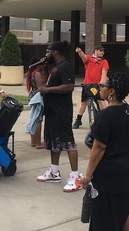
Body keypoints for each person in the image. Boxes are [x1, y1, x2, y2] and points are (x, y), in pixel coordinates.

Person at [79, 72, 129, 231]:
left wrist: (87, 175)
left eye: (102, 86)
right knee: (125, 207)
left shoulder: (105, 116)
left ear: (112, 91)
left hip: (110, 171)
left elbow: (98, 148)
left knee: (103, 212)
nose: (100, 88)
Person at [36, 40, 81, 193]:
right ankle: (54, 172)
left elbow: (69, 86)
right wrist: (43, 69)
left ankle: (75, 176)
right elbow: (49, 82)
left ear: (55, 52)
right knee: (53, 141)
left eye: (48, 51)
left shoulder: (66, 66)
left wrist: (48, 91)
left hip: (62, 111)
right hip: (52, 110)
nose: (46, 54)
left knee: (68, 142)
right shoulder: (54, 67)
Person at [73, 45, 109, 129]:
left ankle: (105, 118)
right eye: (101, 51)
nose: (102, 52)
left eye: (103, 51)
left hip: (96, 85)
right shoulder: (89, 59)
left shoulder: (104, 62)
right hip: (87, 85)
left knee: (101, 101)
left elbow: (104, 73)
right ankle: (78, 120)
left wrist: (101, 83)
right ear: (95, 51)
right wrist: (79, 51)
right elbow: (84, 57)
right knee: (83, 103)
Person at [26, 56, 44, 148]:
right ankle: (38, 143)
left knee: (33, 119)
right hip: (37, 98)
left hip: (32, 96)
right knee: (38, 120)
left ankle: (33, 141)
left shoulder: (31, 72)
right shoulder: (37, 73)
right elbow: (40, 88)